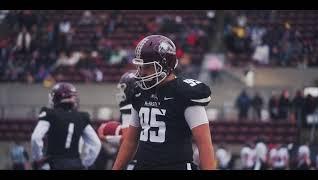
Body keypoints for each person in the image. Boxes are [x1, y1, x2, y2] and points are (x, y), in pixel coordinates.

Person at [112, 35, 215, 170]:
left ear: (165, 65)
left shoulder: (184, 93)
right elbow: (130, 141)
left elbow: (204, 143)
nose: (142, 72)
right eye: (140, 67)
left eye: (147, 67)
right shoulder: (139, 92)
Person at [31, 82, 101, 170]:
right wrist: (85, 163)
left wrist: (38, 158)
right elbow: (96, 144)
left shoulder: (49, 114)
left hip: (53, 164)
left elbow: (35, 138)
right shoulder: (82, 117)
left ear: (55, 98)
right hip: (76, 164)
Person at [96, 71, 137, 170]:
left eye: (123, 89)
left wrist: (106, 138)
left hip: (136, 160)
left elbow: (127, 140)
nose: (120, 93)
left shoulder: (128, 107)